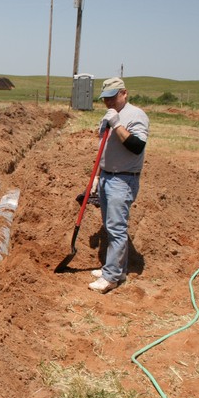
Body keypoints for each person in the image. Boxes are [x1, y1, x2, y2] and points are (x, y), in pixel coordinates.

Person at [88, 77, 149, 293]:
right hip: (106, 176)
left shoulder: (136, 115)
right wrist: (97, 177)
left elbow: (137, 146)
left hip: (122, 180)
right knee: (110, 225)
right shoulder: (108, 115)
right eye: (105, 98)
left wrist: (117, 124)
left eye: (112, 97)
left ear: (124, 93)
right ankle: (116, 269)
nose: (108, 102)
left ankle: (111, 277)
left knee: (116, 228)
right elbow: (103, 149)